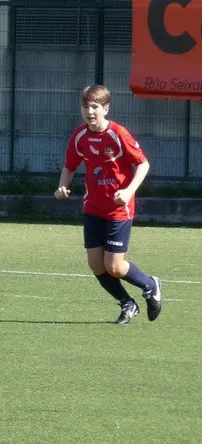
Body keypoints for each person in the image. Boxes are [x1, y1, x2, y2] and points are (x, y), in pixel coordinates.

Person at [56, 84, 162, 324]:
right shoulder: (80, 136)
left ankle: (150, 285)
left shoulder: (118, 133)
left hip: (118, 209)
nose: (89, 111)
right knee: (96, 265)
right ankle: (127, 303)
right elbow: (70, 167)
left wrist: (128, 191)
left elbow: (143, 164)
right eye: (85, 106)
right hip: (93, 207)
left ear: (106, 108)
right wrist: (62, 186)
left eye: (94, 107)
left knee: (113, 266)